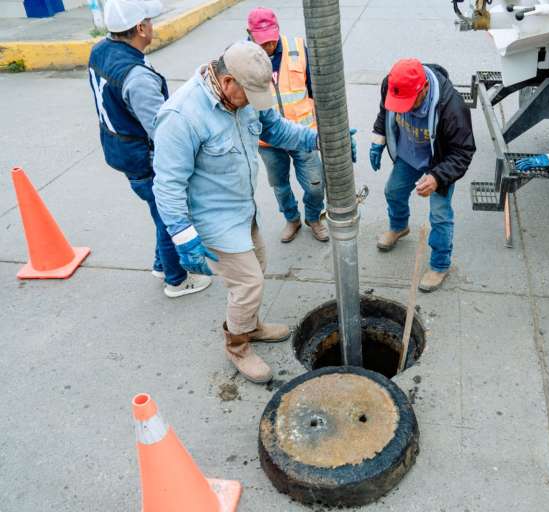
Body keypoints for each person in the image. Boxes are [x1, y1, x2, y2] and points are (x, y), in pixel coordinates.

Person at [152, 42, 357, 383]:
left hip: (243, 210)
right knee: (248, 283)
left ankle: (250, 325)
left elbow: (276, 129)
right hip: (213, 221)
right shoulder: (182, 116)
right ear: (227, 81)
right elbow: (167, 184)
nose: (252, 103)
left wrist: (318, 140)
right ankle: (237, 346)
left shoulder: (242, 96)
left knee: (258, 267)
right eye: (248, 95)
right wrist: (183, 236)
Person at [87, 0, 210, 298]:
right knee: (168, 219)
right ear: (141, 28)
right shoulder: (138, 77)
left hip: (121, 150)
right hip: (143, 158)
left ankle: (160, 264)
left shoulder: (100, 50)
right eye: (150, 21)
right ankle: (176, 279)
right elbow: (162, 131)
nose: (153, 25)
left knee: (158, 213)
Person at [370, 58, 476, 292]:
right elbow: (385, 111)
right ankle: (399, 227)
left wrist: (438, 177)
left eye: (409, 103)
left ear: (425, 88)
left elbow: (463, 151)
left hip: (438, 162)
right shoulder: (392, 84)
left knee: (439, 214)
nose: (403, 109)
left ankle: (440, 265)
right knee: (393, 191)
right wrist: (379, 138)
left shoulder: (452, 107)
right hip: (408, 155)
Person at [246, 7, 328, 243]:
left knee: (315, 185)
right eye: (262, 41)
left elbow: (315, 91)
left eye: (271, 40)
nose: (268, 46)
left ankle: (313, 217)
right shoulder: (242, 59)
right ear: (249, 34)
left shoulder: (298, 49)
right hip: (268, 141)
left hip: (302, 134)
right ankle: (292, 218)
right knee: (280, 186)